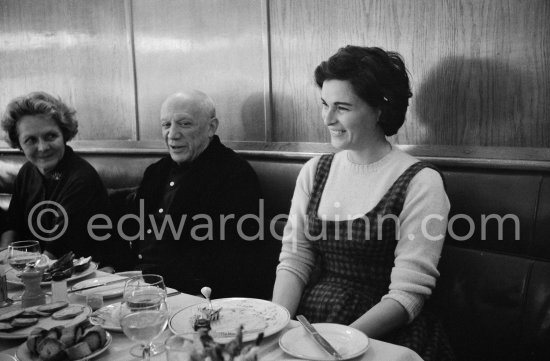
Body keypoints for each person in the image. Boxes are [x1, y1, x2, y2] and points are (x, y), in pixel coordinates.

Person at [272, 46, 454, 360]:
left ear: (380, 110)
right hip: (312, 325)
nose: (328, 118)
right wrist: (279, 327)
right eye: (324, 104)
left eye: (342, 107)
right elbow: (295, 260)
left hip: (384, 334)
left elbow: (407, 295)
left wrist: (341, 343)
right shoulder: (314, 171)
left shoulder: (421, 181)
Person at [127, 89, 268, 298]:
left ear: (211, 127)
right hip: (141, 283)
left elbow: (228, 262)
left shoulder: (234, 176)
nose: (172, 134)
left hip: (194, 295)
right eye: (166, 125)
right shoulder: (156, 171)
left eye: (184, 124)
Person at [0, 91, 120, 266]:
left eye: (50, 136)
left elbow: (54, 253)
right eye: (30, 140)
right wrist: (3, 261)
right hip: (39, 271)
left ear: (64, 135)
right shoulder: (27, 172)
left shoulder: (82, 178)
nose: (42, 147)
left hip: (86, 276)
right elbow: (12, 226)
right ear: (19, 144)